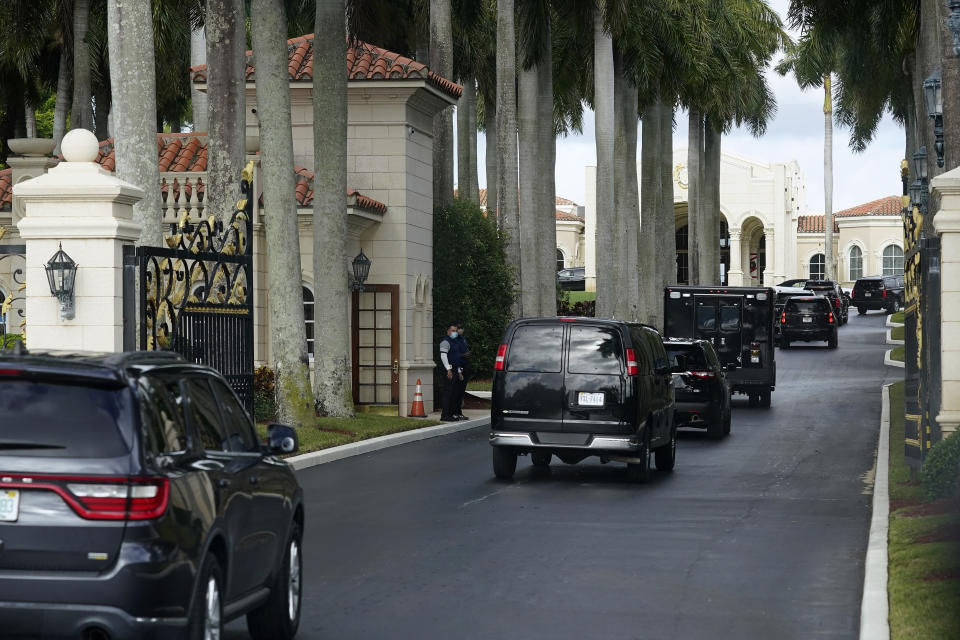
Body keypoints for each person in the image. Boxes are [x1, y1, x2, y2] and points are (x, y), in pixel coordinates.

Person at [438, 324, 464, 422]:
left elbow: (456, 359)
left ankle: (451, 414)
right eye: (453, 330)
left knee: (454, 393)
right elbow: (443, 356)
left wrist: (459, 372)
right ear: (448, 331)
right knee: (448, 393)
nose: (455, 332)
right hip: (449, 370)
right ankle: (445, 415)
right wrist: (448, 369)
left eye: (456, 331)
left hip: (455, 370)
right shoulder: (445, 342)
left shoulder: (455, 342)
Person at [452, 323, 471, 419]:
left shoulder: (463, 339)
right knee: (456, 391)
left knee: (461, 391)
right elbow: (454, 354)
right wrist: (463, 355)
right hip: (457, 367)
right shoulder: (454, 340)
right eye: (459, 328)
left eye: (462, 328)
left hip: (464, 366)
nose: (460, 330)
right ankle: (454, 411)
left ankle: (459, 411)